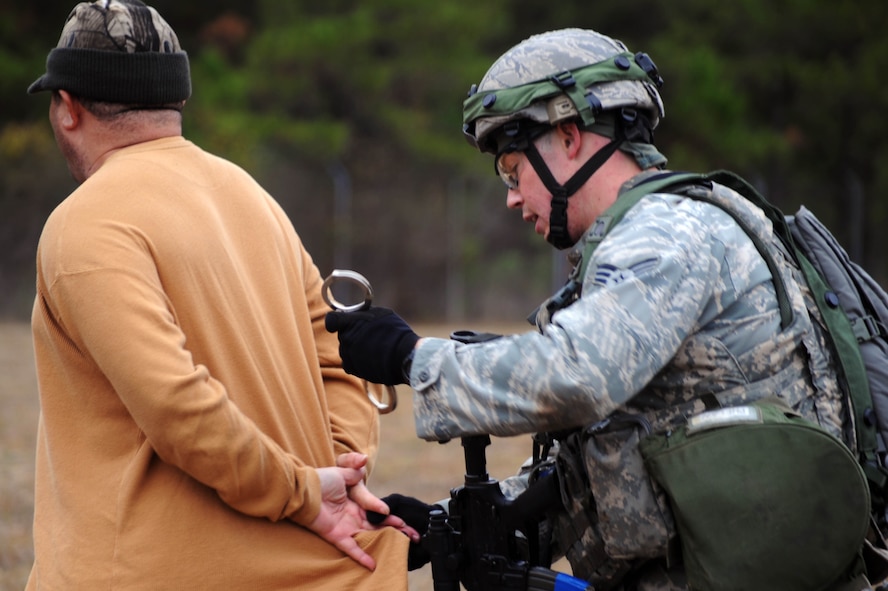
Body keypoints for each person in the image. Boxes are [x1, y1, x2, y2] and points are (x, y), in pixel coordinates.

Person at [325, 28, 871, 590]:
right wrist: (451, 523)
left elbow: (575, 376)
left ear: (569, 136)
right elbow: (625, 455)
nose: (512, 197)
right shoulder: (637, 242)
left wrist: (410, 357)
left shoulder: (667, 235)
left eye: (514, 170)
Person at [25, 1, 416, 589]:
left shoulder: (86, 223)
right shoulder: (253, 196)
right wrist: (336, 466)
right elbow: (341, 353)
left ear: (68, 108)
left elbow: (175, 404)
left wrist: (307, 493)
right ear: (175, 100)